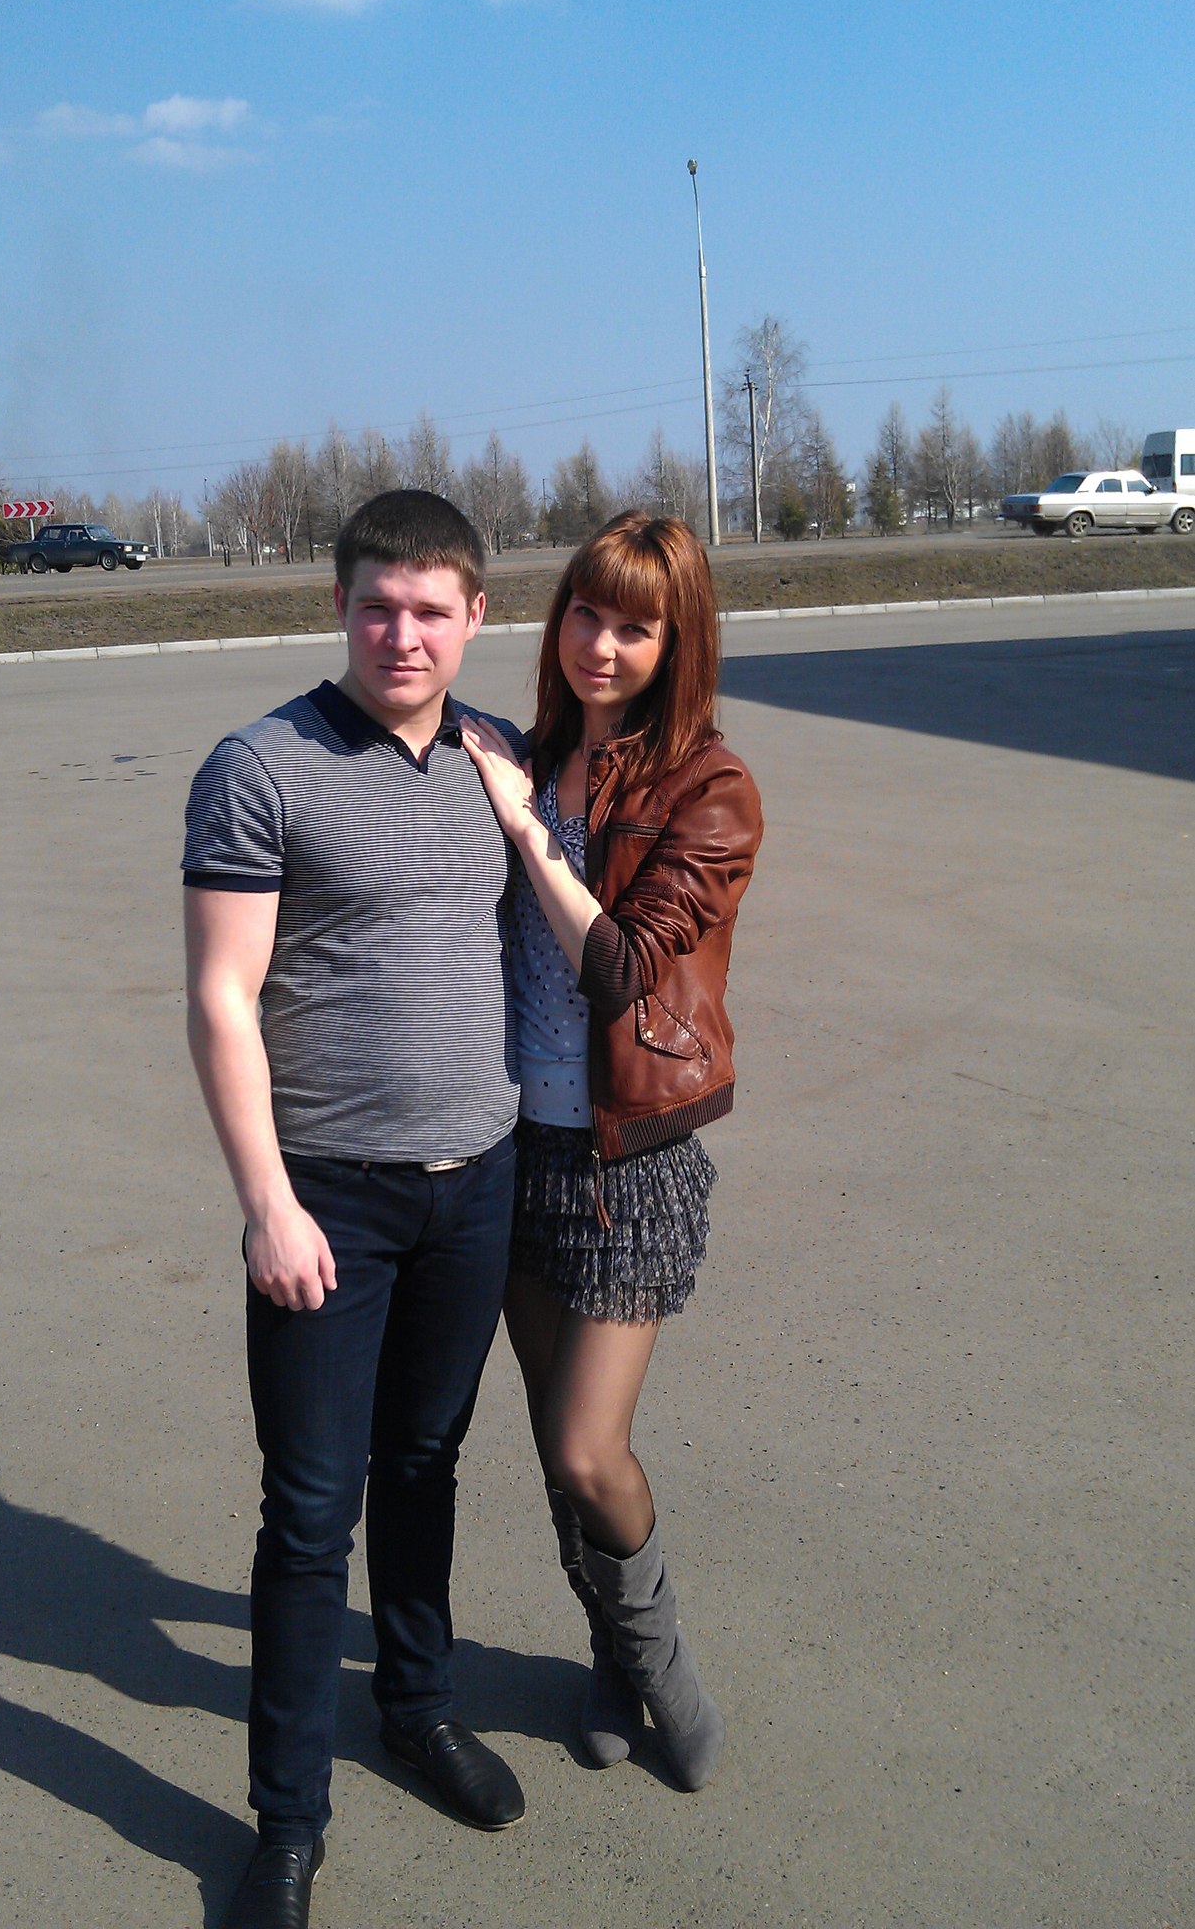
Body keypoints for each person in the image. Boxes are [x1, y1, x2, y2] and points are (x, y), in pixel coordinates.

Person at [183, 491, 526, 1929]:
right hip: (328, 1198)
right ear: (339, 604)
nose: (403, 633)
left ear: (475, 616)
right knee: (312, 1511)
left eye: (431, 609)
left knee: (426, 1463)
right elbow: (221, 996)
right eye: (378, 604)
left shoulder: (496, 757)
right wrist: (267, 1202)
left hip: (478, 1181)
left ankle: (418, 1705)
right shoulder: (261, 768)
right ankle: (286, 1821)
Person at [460, 510, 762, 1793]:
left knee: (592, 1445)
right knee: (552, 1444)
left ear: (675, 642)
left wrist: (527, 828)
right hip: (510, 1145)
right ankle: (605, 1657)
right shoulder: (525, 754)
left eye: (634, 625)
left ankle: (664, 1666)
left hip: (626, 1158)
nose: (600, 643)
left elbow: (621, 965)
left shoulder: (708, 787)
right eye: (585, 612)